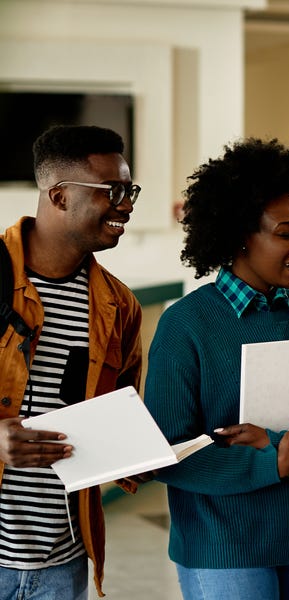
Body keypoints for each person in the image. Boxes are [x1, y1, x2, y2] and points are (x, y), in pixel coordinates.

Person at [142, 137, 289, 600]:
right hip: (220, 546)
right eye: (286, 233)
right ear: (242, 233)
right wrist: (276, 461)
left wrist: (283, 447)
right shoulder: (185, 325)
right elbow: (167, 453)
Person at [0, 125, 143, 598]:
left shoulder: (118, 306)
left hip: (63, 565)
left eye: (130, 190)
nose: (126, 204)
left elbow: (121, 415)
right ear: (59, 196)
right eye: (113, 191)